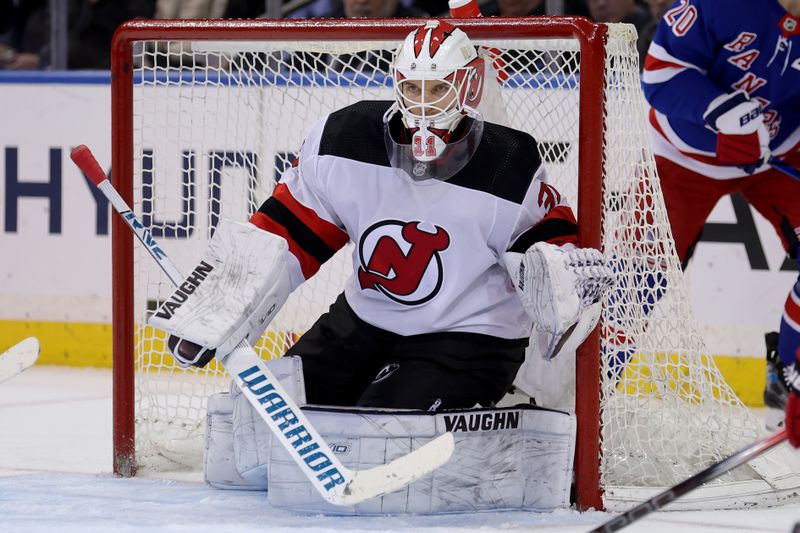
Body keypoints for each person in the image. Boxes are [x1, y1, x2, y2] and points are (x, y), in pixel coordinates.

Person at [151, 19, 614, 413]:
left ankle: (504, 405)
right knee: (253, 419)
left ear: (467, 86)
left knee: (383, 435)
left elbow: (545, 251)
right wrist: (219, 310)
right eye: (413, 87)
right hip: (359, 326)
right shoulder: (345, 138)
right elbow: (287, 231)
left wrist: (558, 277)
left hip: (465, 344)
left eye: (438, 88)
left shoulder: (508, 162)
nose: (423, 102)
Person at [641, 0, 800, 433]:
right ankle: (578, 403)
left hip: (780, 154)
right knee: (635, 281)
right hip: (681, 156)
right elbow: (660, 74)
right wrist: (724, 112)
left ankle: (791, 379)